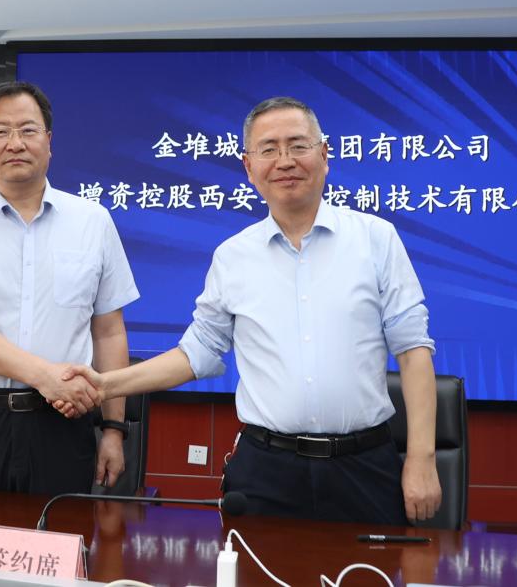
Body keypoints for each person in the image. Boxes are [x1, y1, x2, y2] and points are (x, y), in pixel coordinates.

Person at [60, 97, 441, 524]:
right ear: (248, 166)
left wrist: (422, 458)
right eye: (269, 149)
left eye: (298, 145)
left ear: (324, 155)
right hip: (267, 472)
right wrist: (104, 385)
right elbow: (196, 354)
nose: (285, 161)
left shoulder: (376, 240)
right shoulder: (233, 257)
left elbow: (413, 351)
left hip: (364, 467)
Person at [0, 81, 139, 494]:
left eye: (28, 130)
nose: (14, 143)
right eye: (0, 131)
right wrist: (44, 376)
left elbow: (108, 332)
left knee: (57, 534)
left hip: (62, 428)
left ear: (49, 141)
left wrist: (113, 429)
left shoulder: (93, 222)